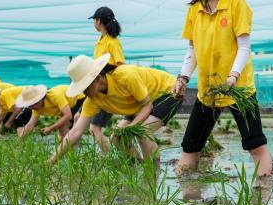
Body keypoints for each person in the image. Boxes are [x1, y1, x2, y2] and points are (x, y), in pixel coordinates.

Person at [174, 0, 273, 177]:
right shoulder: (194, 10)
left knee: (255, 144)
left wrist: (233, 75)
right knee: (190, 146)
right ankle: (188, 196)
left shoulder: (237, 4)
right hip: (208, 89)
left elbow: (244, 47)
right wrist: (183, 77)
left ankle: (267, 193)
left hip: (239, 88)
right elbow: (192, 48)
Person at [48, 54, 181, 164]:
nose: (83, 92)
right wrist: (52, 160)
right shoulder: (93, 99)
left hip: (168, 91)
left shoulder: (125, 76)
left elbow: (147, 106)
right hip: (139, 105)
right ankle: (135, 166)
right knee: (117, 137)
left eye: (85, 86)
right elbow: (75, 131)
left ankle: (153, 172)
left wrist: (131, 126)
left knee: (142, 131)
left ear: (98, 78)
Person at [88, 6, 125, 152]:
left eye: (94, 20)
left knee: (94, 128)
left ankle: (109, 157)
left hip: (109, 89)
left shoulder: (112, 42)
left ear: (99, 21)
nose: (94, 23)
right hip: (98, 88)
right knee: (81, 120)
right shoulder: (100, 41)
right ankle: (109, 156)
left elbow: (121, 66)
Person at [14, 85, 85, 140]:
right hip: (69, 106)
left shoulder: (55, 96)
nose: (31, 107)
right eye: (29, 105)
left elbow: (68, 116)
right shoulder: (35, 107)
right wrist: (20, 140)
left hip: (79, 99)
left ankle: (74, 144)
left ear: (41, 98)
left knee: (63, 126)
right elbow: (31, 124)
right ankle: (72, 143)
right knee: (61, 133)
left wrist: (51, 128)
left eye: (33, 103)